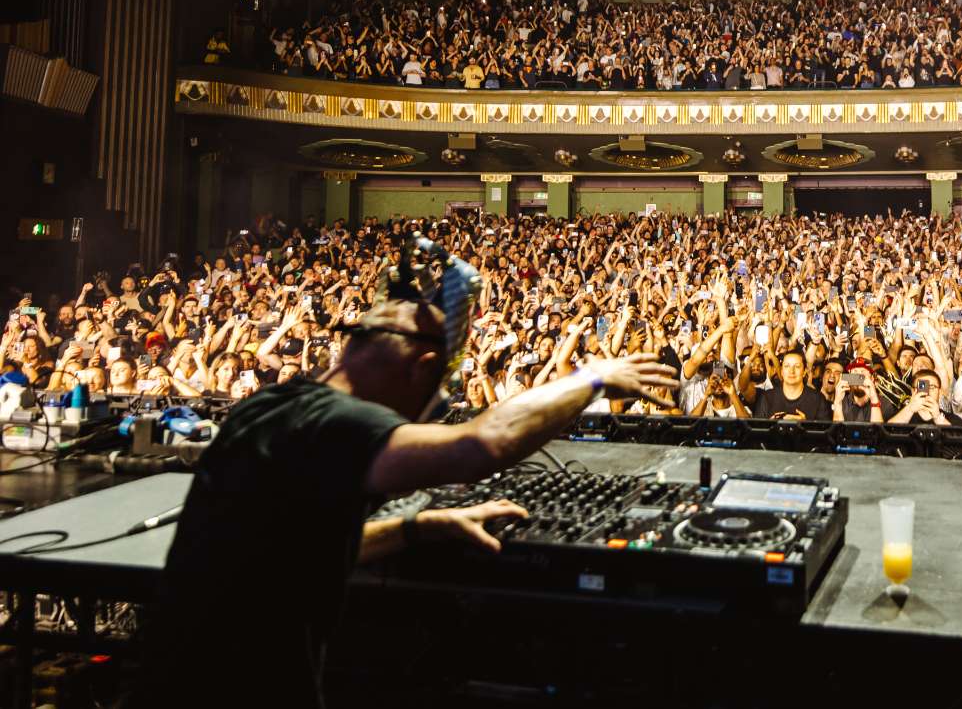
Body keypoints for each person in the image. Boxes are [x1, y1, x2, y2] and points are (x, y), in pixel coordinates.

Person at [142, 243, 675, 709]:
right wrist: (594, 376)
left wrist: (416, 529)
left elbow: (296, 547)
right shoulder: (330, 419)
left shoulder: (278, 408)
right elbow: (480, 446)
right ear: (420, 370)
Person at [752, 350, 829, 421]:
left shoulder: (818, 399)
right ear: (781, 371)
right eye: (787, 366)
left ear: (804, 372)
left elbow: (824, 433)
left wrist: (805, 424)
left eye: (797, 366)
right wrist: (771, 426)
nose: (791, 371)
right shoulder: (767, 398)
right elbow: (757, 432)